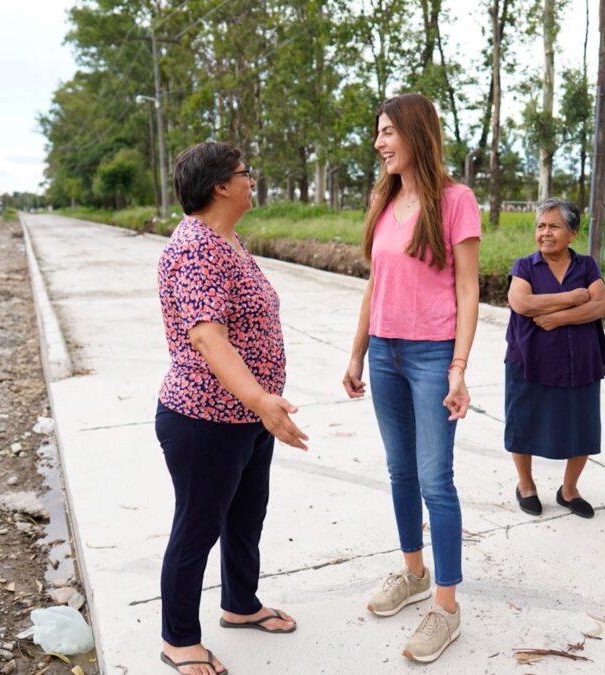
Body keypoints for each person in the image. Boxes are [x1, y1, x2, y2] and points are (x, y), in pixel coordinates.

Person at [155, 142, 309, 675]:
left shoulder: (228, 240)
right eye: (245, 173)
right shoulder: (198, 246)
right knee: (197, 527)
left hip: (243, 419)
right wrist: (262, 400)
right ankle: (179, 640)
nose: (252, 180)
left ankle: (240, 605)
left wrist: (259, 409)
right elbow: (207, 337)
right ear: (221, 186)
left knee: (245, 518)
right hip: (204, 419)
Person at [342, 93, 481, 664]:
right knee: (399, 471)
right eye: (377, 133)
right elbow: (375, 285)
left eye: (387, 132)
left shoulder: (456, 200)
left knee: (435, 480)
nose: (378, 143)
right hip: (385, 356)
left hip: (431, 357)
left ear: (416, 133)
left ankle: (446, 608)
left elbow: (469, 289)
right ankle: (414, 573)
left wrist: (459, 368)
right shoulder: (385, 196)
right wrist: (357, 354)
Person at [505, 199, 605, 519]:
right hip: (530, 359)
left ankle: (569, 490)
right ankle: (526, 485)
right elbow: (521, 303)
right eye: (540, 226)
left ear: (573, 234)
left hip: (581, 361)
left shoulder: (587, 266)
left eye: (553, 226)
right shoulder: (525, 266)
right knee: (523, 422)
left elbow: (600, 306)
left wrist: (557, 318)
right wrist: (573, 298)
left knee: (582, 428)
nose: (545, 233)